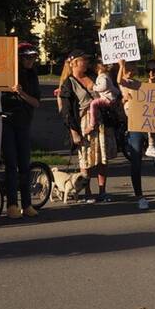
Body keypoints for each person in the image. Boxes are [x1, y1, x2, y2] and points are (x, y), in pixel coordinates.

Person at [118, 58, 155, 210]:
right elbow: (120, 81)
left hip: (154, 126)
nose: (151, 73)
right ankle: (140, 197)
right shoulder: (138, 85)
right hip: (137, 126)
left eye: (154, 70)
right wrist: (121, 66)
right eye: (148, 70)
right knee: (136, 161)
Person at [59, 50, 116, 203]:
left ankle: (102, 191)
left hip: (101, 121)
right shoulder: (69, 83)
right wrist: (74, 132)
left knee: (102, 159)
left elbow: (109, 83)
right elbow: (67, 111)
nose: (87, 62)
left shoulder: (93, 76)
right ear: (75, 63)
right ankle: (87, 192)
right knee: (86, 159)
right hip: (85, 124)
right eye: (84, 60)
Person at [1, 43, 42, 219]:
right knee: (11, 164)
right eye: (27, 57)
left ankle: (27, 204)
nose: (30, 60)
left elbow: (36, 102)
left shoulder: (33, 76)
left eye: (33, 57)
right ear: (18, 58)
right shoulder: (7, 74)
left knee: (24, 165)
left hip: (24, 124)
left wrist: (22, 94)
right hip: (7, 123)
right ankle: (12, 205)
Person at [87, 61, 121, 133]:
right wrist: (117, 94)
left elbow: (103, 87)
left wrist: (94, 87)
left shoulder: (102, 76)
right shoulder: (107, 76)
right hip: (111, 99)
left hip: (106, 99)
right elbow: (113, 88)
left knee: (93, 104)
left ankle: (92, 124)